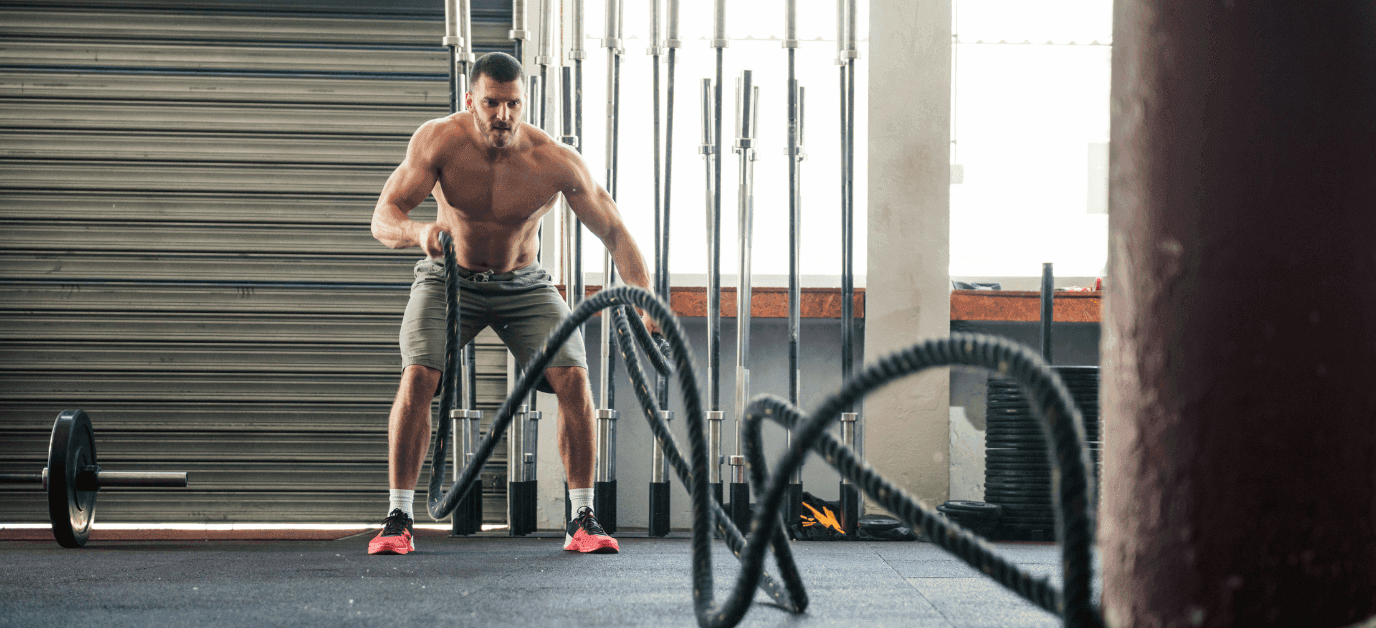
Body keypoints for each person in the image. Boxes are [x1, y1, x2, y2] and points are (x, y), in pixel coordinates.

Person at [366, 52, 657, 555]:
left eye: (513, 104)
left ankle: (582, 518)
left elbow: (614, 231)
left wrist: (646, 304)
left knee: (573, 376)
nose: (503, 115)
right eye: (493, 103)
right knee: (419, 374)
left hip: (524, 284)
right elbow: (383, 216)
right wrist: (418, 232)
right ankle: (398, 519)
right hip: (448, 278)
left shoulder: (553, 160)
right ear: (471, 100)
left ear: (525, 103)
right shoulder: (439, 141)